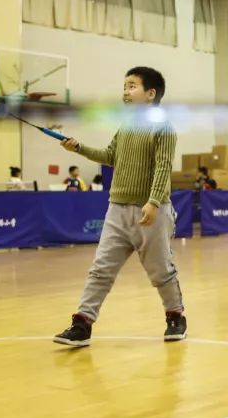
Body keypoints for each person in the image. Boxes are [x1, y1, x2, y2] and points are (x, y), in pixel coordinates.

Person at [52, 66, 187, 346]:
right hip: (117, 209)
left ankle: (175, 316)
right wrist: (78, 148)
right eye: (124, 86)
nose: (126, 91)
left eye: (132, 86)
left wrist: (152, 201)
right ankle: (82, 324)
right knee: (101, 268)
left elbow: (163, 166)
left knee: (161, 271)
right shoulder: (125, 126)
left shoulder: (164, 127)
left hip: (152, 212)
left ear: (151, 94)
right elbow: (110, 156)